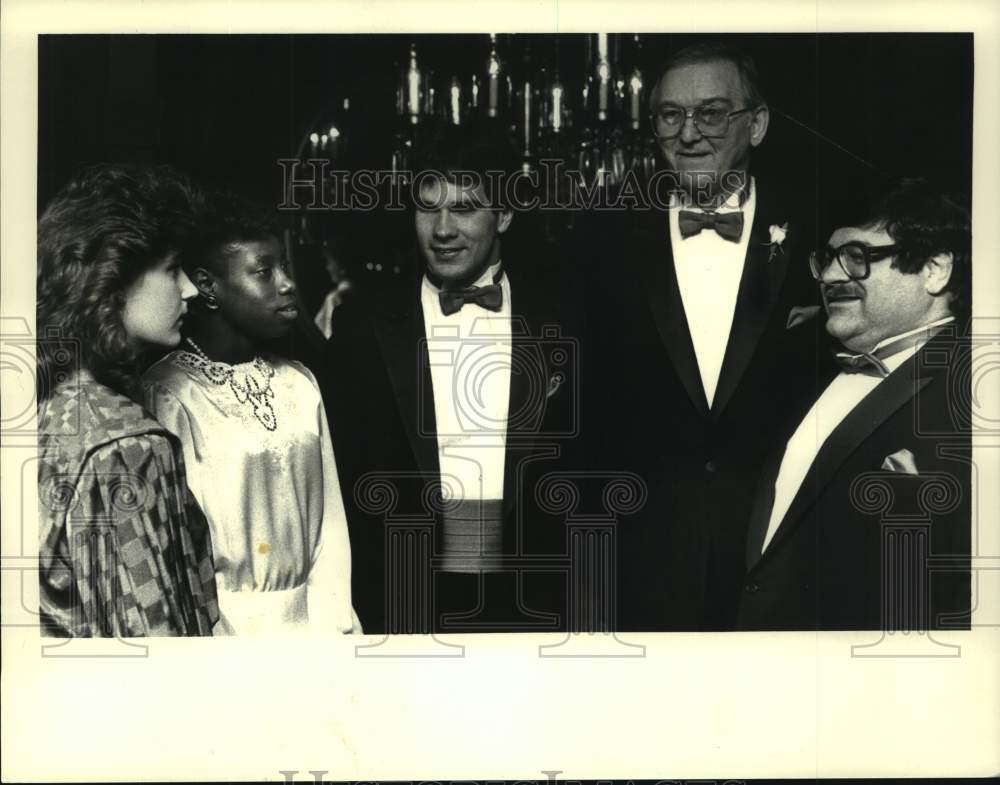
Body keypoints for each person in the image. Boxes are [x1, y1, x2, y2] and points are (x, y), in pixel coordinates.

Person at [583, 40, 827, 630]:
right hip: (641, 567)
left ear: (758, 124)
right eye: (671, 115)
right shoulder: (603, 241)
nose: (689, 133)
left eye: (712, 112)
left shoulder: (820, 232)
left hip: (783, 557)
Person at [325, 122, 581, 634]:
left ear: (504, 214)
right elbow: (344, 479)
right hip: (403, 604)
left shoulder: (565, 316)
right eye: (428, 208)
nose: (442, 230)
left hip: (537, 606)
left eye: (464, 208)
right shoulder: (363, 323)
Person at [737, 178, 971, 630]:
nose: (829, 277)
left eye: (858, 257)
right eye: (827, 259)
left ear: (936, 270)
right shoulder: (802, 372)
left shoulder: (972, 397)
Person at [142, 193, 359, 636]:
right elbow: (174, 553)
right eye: (264, 271)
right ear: (207, 285)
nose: (287, 284)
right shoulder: (167, 394)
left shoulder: (300, 383)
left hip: (315, 628)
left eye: (284, 267)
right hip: (225, 637)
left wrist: (336, 621)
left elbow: (331, 524)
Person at [37, 164, 219, 637]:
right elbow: (154, 647)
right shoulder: (125, 446)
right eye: (172, 268)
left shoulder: (54, 405)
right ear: (113, 282)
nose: (191, 289)